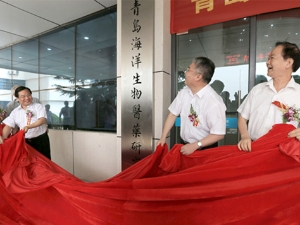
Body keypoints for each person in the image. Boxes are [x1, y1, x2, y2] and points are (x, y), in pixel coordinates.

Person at [237, 41, 300, 152]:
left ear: (288, 63)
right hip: (252, 149)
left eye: (272, 58)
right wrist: (244, 136)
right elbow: (242, 118)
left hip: (282, 153)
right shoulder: (258, 90)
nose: (267, 62)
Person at [157, 56, 226, 155]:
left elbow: (218, 134)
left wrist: (195, 145)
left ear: (198, 76)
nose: (185, 73)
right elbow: (172, 114)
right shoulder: (184, 93)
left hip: (204, 150)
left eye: (188, 69)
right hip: (184, 146)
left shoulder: (214, 102)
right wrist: (163, 137)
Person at [0, 86, 51, 159]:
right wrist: (3, 140)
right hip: (25, 142)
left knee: (44, 165)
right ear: (17, 98)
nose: (27, 98)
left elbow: (42, 120)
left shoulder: (38, 106)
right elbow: (8, 126)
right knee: (28, 166)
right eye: (23, 96)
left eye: (29, 95)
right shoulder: (15, 112)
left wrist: (28, 127)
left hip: (40, 140)